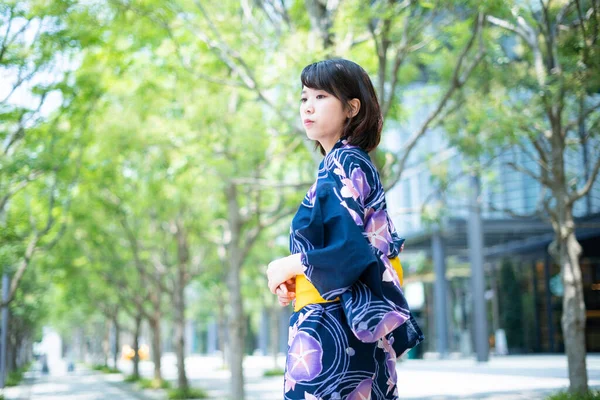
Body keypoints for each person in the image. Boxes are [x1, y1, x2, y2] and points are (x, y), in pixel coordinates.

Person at [266, 59, 424, 400]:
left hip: (336, 329)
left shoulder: (346, 162)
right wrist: (298, 277)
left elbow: (350, 252)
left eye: (321, 96)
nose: (308, 106)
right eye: (304, 97)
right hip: (344, 324)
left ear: (352, 107)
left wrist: (287, 266)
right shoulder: (340, 163)